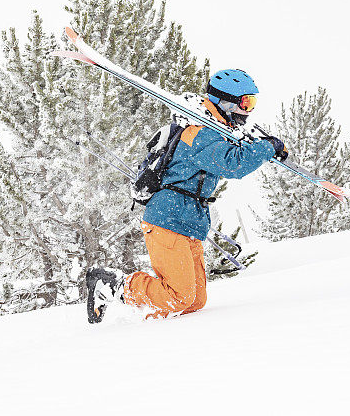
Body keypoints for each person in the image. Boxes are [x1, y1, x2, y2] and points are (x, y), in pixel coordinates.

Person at [86, 69, 287, 322]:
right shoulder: (199, 132)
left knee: (195, 301)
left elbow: (237, 154)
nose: (248, 111)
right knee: (179, 296)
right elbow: (233, 164)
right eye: (246, 103)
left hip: (190, 221)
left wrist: (264, 149)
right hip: (167, 218)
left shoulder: (215, 131)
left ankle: (154, 324)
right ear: (226, 102)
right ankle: (112, 285)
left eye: (252, 104)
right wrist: (268, 147)